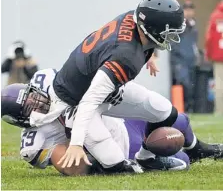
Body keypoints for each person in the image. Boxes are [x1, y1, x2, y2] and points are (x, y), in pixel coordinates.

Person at [38, 0, 186, 171]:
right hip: (76, 101)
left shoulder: (134, 18)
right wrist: (76, 144)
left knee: (165, 111)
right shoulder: (125, 57)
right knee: (115, 164)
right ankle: (82, 148)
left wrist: (149, 55)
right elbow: (89, 100)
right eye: (167, 34)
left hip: (102, 85)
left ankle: (148, 159)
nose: (170, 38)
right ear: (151, 29)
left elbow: (128, 43)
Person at [2, 68, 223, 176]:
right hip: (118, 148)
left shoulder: (47, 79)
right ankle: (172, 156)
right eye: (30, 106)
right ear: (21, 121)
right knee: (174, 150)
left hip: (118, 119)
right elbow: (71, 164)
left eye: (32, 94)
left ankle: (199, 149)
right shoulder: (35, 140)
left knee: (177, 119)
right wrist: (103, 165)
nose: (38, 101)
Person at [170, 0, 198, 112]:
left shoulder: (194, 25)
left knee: (191, 86)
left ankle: (189, 108)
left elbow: (193, 43)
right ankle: (182, 108)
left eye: (191, 9)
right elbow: (173, 42)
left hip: (190, 59)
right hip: (180, 59)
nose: (189, 12)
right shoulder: (178, 24)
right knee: (183, 83)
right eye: (186, 9)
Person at [205, 0, 223, 115]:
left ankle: (220, 111)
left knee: (220, 84)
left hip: (218, 56)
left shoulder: (215, 16)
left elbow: (209, 38)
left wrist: (209, 54)